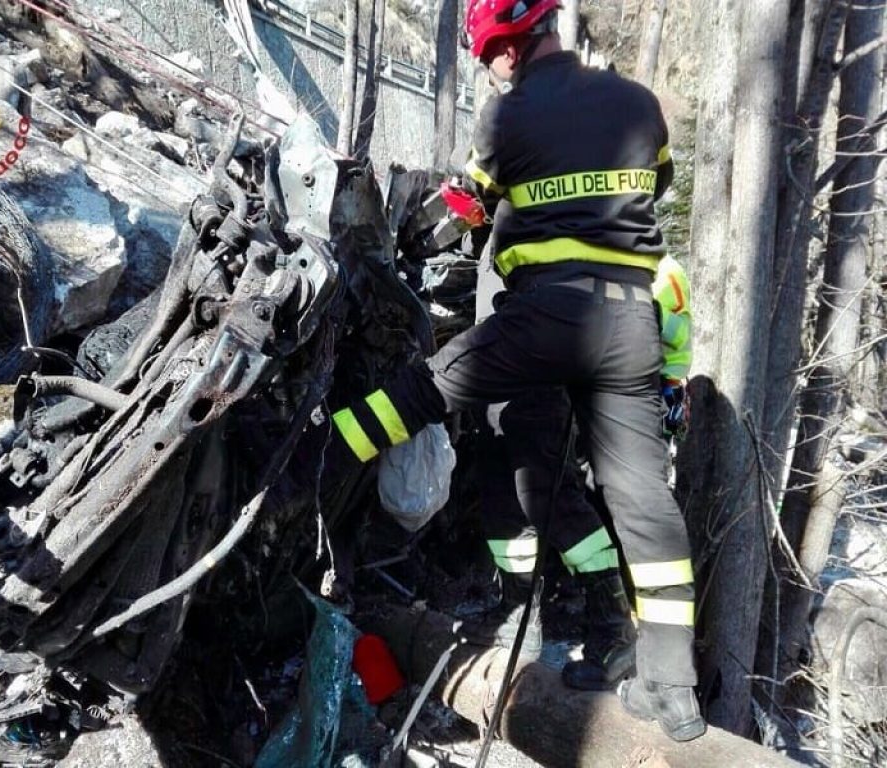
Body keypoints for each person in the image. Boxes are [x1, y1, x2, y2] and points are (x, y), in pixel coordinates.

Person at [326, 0, 704, 742]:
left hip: (542, 317)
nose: (488, 68)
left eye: (488, 54)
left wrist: (434, 226)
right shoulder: (637, 105)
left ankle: (316, 462)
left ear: (508, 44)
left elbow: (466, 206)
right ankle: (671, 685)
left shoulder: (506, 117)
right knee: (641, 496)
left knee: (423, 391)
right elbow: (652, 187)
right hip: (630, 325)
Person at [467, 253, 692, 695]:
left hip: (555, 372)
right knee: (502, 499)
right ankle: (520, 614)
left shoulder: (643, 257)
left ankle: (613, 630)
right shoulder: (508, 233)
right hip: (499, 370)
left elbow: (660, 330)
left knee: (549, 495)